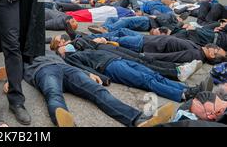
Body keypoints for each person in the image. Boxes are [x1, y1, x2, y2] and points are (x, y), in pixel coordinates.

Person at [24, 51, 176, 127]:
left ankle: (138, 119)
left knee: (98, 91)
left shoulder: (57, 53)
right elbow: (14, 64)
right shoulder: (24, 51)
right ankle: (67, 124)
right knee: (53, 94)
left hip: (68, 69)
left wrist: (87, 73)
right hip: (44, 70)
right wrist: (13, 81)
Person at [56, 45, 209, 102]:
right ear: (61, 53)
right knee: (145, 79)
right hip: (110, 67)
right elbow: (84, 71)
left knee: (153, 74)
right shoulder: (71, 58)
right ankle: (181, 95)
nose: (65, 45)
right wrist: (102, 79)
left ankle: (186, 90)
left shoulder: (80, 48)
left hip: (118, 59)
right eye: (61, 46)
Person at [91, 28, 226, 64]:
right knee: (119, 35)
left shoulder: (196, 54)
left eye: (218, 49)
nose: (216, 47)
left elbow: (171, 57)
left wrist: (147, 56)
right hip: (150, 40)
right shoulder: (198, 47)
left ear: (213, 54)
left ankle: (85, 39)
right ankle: (99, 34)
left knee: (113, 39)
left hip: (147, 45)